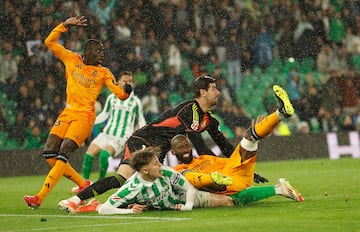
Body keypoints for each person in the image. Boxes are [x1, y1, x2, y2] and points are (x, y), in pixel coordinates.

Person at [58, 75, 263, 210]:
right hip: (144, 140)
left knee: (151, 188)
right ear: (202, 92)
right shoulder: (190, 110)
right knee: (125, 180)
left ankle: (99, 204)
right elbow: (200, 147)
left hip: (158, 150)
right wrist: (222, 169)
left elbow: (227, 147)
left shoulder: (209, 119)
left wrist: (245, 167)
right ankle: (76, 200)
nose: (218, 92)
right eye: (214, 88)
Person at [23, 16, 132, 209]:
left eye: (103, 52)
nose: (102, 55)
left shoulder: (104, 72)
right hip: (67, 112)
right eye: (99, 51)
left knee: (64, 153)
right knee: (49, 154)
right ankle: (83, 184)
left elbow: (120, 94)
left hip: (85, 116)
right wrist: (64, 25)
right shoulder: (72, 59)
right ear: (88, 51)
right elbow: (49, 42)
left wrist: (126, 91)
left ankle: (39, 197)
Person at [59, 146, 303, 214]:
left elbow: (186, 186)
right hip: (160, 203)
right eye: (154, 162)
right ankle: (80, 204)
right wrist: (129, 212)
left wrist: (187, 204)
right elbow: (106, 208)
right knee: (120, 204)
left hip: (187, 197)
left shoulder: (166, 173)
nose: (160, 164)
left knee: (230, 202)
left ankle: (278, 189)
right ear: (143, 170)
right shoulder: (133, 186)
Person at [76, 71, 146, 188]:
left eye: (129, 81)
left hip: (121, 137)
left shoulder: (136, 102)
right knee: (88, 155)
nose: (127, 83)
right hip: (107, 133)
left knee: (104, 155)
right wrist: (90, 122)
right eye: (124, 80)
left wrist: (144, 134)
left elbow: (141, 120)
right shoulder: (112, 98)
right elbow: (105, 114)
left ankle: (100, 185)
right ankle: (83, 184)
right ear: (118, 82)